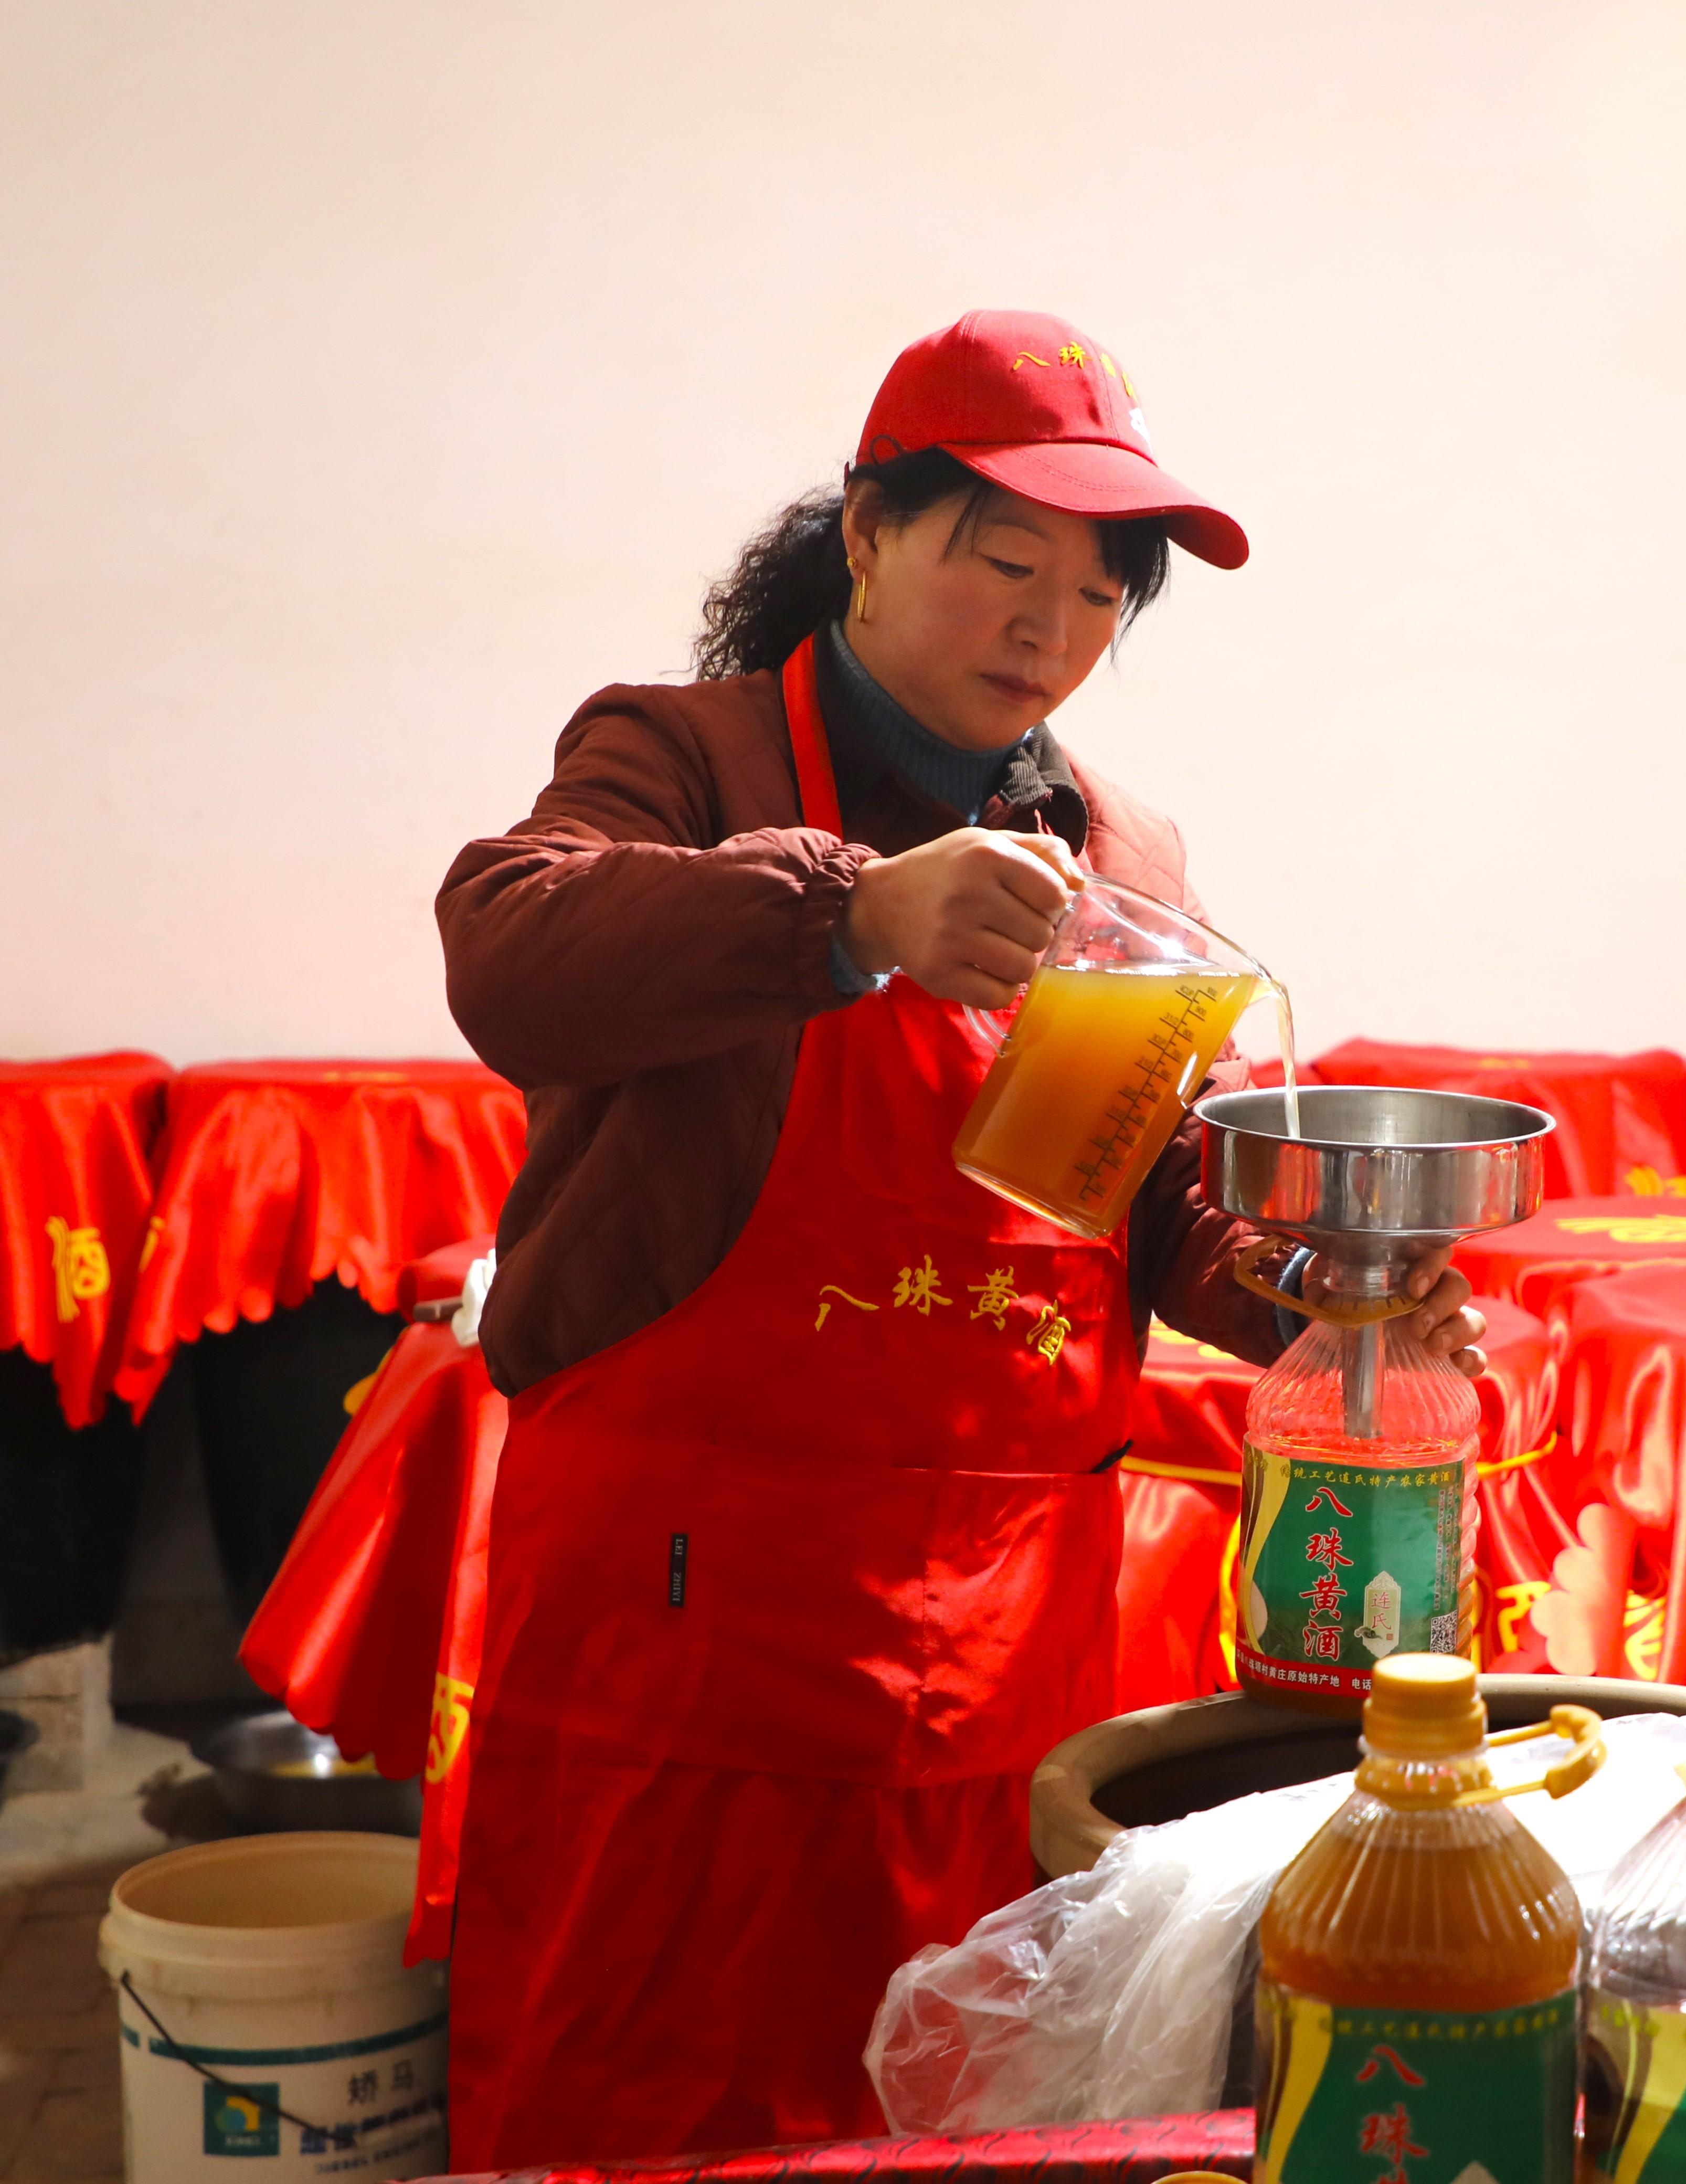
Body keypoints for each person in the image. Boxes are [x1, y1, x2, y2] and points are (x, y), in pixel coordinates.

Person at [433, 310, 1484, 2167]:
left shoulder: (1119, 852)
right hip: (692, 1634)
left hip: (1002, 1646)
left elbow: (1136, 1194)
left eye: (1099, 594)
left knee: (964, 2103)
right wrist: (852, 917)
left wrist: (1323, 1292)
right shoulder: (688, 757)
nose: (1050, 629)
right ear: (866, 533)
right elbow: (508, 949)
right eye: (1006, 563)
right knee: (651, 2096)